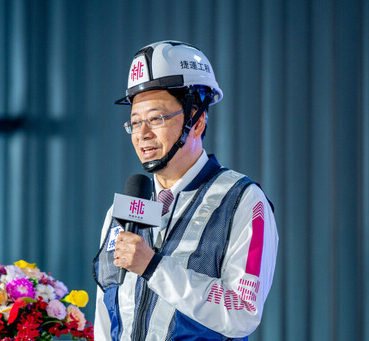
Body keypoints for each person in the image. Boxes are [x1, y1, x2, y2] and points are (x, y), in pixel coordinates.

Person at [92, 40, 278, 340]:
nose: (143, 135)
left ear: (198, 121)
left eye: (156, 118)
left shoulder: (243, 201)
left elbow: (243, 311)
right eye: (135, 122)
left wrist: (154, 267)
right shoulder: (122, 211)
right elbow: (105, 314)